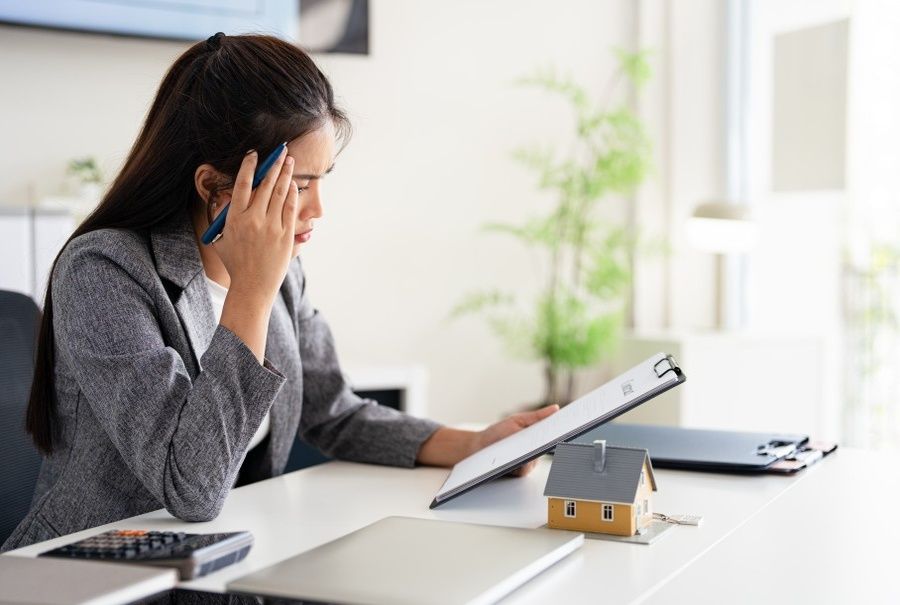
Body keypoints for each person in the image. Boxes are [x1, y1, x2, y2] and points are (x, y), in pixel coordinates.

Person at [2, 33, 557, 551]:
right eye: (299, 185)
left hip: (221, 553)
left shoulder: (283, 272)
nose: (317, 210)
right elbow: (189, 486)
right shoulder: (104, 271)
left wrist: (473, 445)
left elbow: (333, 412)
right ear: (213, 186)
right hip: (88, 566)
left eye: (323, 181)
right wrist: (252, 291)